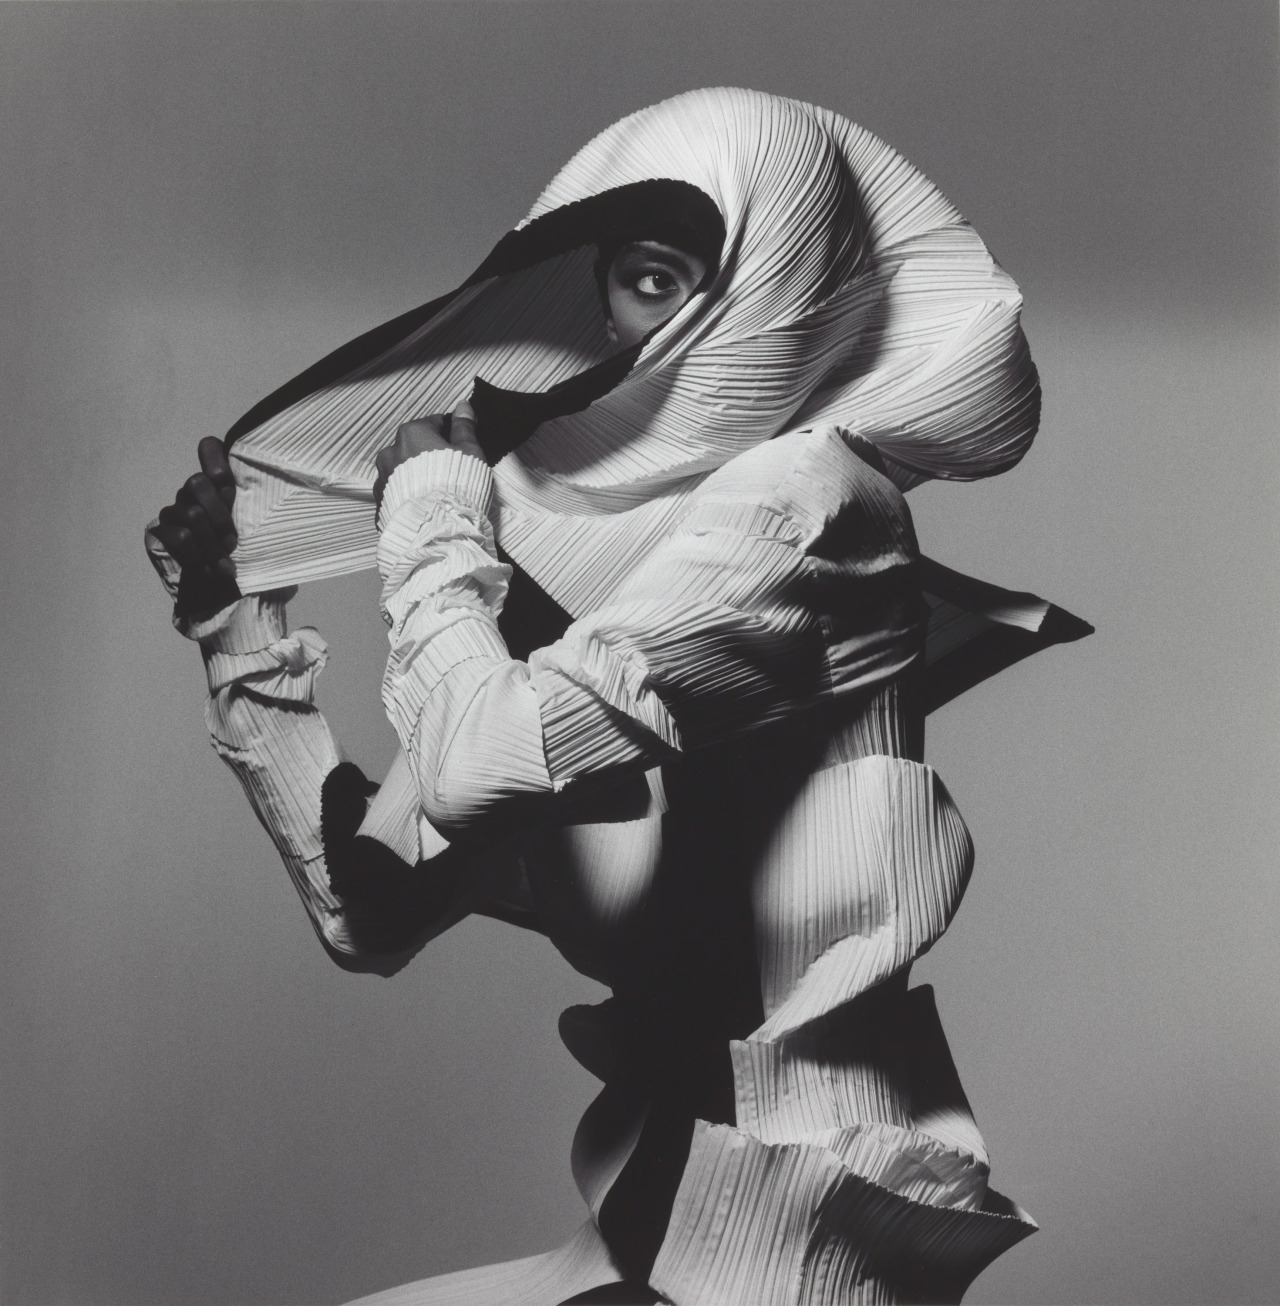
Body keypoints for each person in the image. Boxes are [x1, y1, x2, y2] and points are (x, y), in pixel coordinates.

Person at [146, 89, 1069, 1305]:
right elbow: (369, 914)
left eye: (713, 281)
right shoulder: (577, 594)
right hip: (653, 1204)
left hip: (803, 1224)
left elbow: (475, 763)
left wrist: (432, 510)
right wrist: (234, 614)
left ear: (793, 287)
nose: (678, 322)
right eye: (643, 280)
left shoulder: (815, 511)